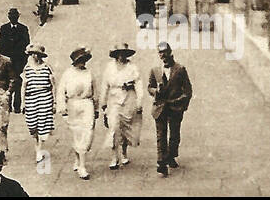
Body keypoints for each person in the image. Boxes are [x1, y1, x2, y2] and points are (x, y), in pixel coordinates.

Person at [148, 42, 192, 177]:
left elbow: (188, 91)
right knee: (161, 135)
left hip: (175, 107)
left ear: (170, 52)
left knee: (174, 135)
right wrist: (156, 91)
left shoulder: (180, 69)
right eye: (160, 53)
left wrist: (181, 104)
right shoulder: (155, 70)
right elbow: (150, 87)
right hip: (160, 107)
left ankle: (171, 156)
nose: (163, 56)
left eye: (165, 52)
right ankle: (161, 163)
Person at [98, 42, 143, 170]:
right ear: (116, 55)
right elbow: (105, 85)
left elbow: (138, 84)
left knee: (125, 128)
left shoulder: (132, 67)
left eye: (124, 54)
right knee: (114, 128)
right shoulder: (109, 67)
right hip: (113, 99)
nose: (121, 56)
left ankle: (123, 152)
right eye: (119, 54)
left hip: (129, 98)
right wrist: (103, 103)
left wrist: (139, 101)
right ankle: (114, 156)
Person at [56, 46, 97, 179]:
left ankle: (81, 162)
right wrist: (62, 109)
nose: (82, 63)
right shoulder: (68, 73)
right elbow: (61, 91)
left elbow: (95, 91)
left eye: (84, 60)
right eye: (80, 60)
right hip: (73, 105)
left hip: (87, 105)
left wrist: (96, 108)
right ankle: (80, 164)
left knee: (88, 134)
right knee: (77, 134)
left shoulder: (89, 73)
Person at [19, 44, 55, 165]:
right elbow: (23, 86)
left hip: (45, 97)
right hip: (31, 98)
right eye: (33, 54)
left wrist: (54, 102)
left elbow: (53, 85)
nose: (35, 56)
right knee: (32, 123)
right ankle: (36, 141)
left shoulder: (47, 68)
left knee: (43, 123)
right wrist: (22, 102)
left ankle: (39, 148)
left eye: (37, 54)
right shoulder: (27, 68)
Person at [0, 9, 30, 112]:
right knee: (7, 83)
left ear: (18, 17)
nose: (13, 18)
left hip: (19, 61)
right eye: (11, 16)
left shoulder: (23, 29)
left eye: (15, 16)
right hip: (8, 61)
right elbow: (2, 44)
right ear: (9, 17)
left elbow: (26, 44)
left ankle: (17, 106)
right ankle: (8, 105)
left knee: (18, 82)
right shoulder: (4, 28)